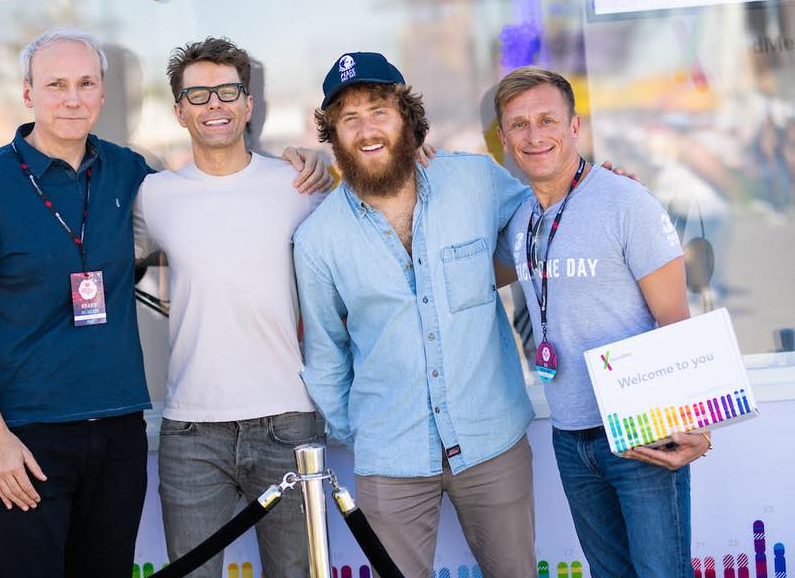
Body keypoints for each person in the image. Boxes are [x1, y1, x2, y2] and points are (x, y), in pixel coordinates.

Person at [0, 29, 328, 578]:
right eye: (56, 85)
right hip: (29, 435)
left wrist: (315, 159)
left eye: (85, 83)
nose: (72, 98)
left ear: (101, 94)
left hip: (120, 429)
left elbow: (222, 214)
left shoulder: (131, 174)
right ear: (28, 94)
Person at [292, 51, 537, 578]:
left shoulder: (476, 181)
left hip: (492, 440)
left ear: (408, 118)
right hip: (390, 459)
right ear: (332, 133)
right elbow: (325, 352)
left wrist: (594, 187)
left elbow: (543, 227)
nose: (366, 129)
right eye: (348, 117)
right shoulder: (317, 239)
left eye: (379, 110)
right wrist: (359, 431)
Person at [494, 66, 711, 578]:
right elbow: (469, 270)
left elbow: (674, 319)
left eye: (547, 120)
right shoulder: (520, 219)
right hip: (571, 436)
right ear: (503, 138)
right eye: (519, 125)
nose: (534, 135)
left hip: (641, 429)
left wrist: (693, 425)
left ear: (575, 127)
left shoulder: (625, 201)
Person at [132, 37, 331, 578]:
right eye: (198, 95)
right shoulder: (154, 196)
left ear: (249, 104)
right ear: (179, 111)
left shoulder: (300, 185)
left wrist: (326, 159)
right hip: (192, 432)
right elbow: (97, 271)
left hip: (289, 422)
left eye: (227, 92)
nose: (213, 104)